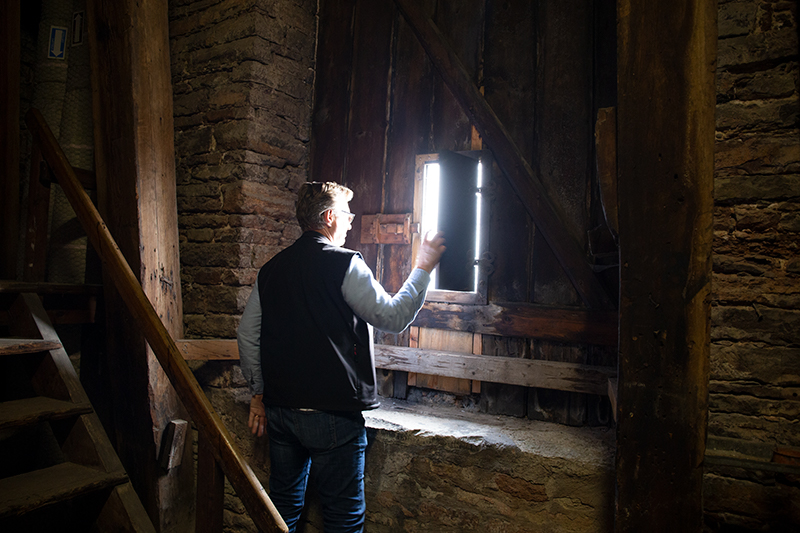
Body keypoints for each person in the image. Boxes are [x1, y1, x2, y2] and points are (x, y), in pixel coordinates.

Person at [237, 181, 445, 533]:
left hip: (280, 413)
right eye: (346, 214)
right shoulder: (345, 263)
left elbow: (246, 335)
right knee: (343, 521)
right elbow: (392, 318)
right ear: (330, 217)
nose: (350, 222)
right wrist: (423, 267)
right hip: (331, 414)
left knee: (282, 511)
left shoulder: (270, 270)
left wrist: (258, 394)